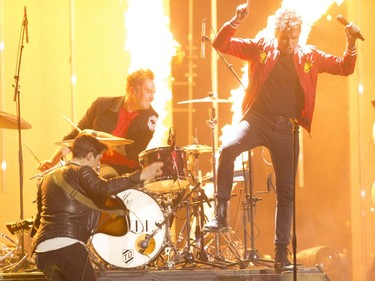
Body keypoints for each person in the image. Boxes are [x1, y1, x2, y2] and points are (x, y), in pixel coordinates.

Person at [202, 3, 360, 273]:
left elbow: (345, 68)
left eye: (293, 36)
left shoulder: (309, 55)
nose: (288, 42)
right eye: (283, 37)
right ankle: (221, 213)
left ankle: (280, 253)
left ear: (300, 33)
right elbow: (221, 43)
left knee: (286, 193)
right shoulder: (262, 46)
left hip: (286, 129)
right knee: (227, 149)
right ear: (276, 33)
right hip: (257, 121)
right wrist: (235, 21)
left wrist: (350, 42)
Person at [31, 133, 163, 281]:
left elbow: (38, 220)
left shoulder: (46, 178)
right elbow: (103, 188)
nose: (97, 165)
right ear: (89, 156)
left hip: (42, 252)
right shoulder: (81, 170)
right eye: (98, 160)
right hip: (68, 247)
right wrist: (139, 176)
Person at [38, 68, 158, 176]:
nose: (152, 97)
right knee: (62, 178)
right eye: (148, 91)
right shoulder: (101, 105)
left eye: (153, 92)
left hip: (125, 172)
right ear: (133, 91)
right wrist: (52, 161)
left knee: (100, 177)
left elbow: (133, 151)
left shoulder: (150, 117)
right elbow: (75, 136)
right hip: (93, 164)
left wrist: (97, 135)